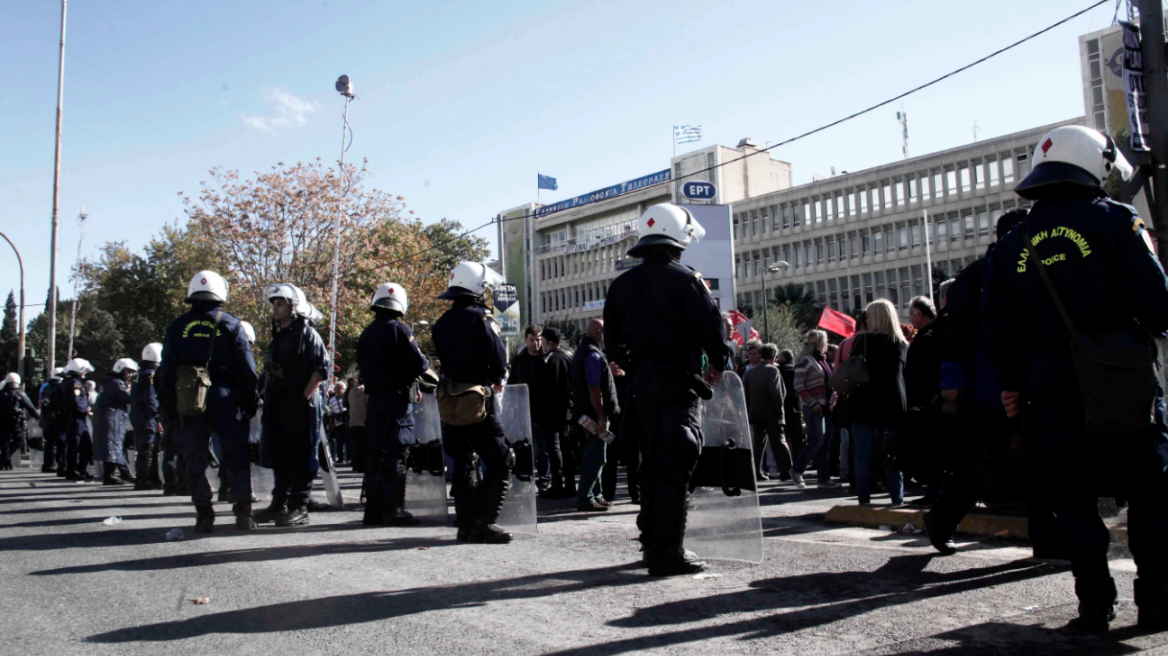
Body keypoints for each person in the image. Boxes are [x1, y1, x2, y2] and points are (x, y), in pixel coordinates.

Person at [981, 125, 1168, 632]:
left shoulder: (1012, 242)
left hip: (1048, 385)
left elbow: (995, 328)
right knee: (1149, 492)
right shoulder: (1116, 220)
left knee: (1072, 499)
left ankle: (1093, 606)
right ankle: (1156, 602)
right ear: (1093, 165)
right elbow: (1158, 302)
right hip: (1119, 379)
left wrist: (1011, 383)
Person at [604, 203, 731, 576]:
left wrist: (637, 366)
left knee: (651, 464)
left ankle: (651, 542)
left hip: (642, 387)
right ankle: (668, 551)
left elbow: (613, 344)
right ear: (680, 238)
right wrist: (718, 363)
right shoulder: (687, 279)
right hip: (678, 383)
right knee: (677, 461)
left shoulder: (621, 284)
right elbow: (713, 329)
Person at [925, 210, 1027, 555]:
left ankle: (1048, 533)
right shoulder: (978, 275)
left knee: (1030, 455)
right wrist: (953, 380)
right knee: (986, 458)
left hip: (1021, 380)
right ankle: (943, 518)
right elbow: (957, 333)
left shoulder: (1029, 268)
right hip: (990, 385)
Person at [158, 271, 259, 533]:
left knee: (194, 458)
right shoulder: (231, 324)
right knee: (236, 455)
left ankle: (204, 515)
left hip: (189, 397)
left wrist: (169, 407)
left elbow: (166, 371)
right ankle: (243, 513)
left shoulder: (177, 326)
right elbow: (247, 368)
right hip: (226, 396)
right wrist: (250, 400)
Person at [432, 262, 513, 544]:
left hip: (451, 401)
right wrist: (496, 377)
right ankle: (484, 522)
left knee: (462, 461)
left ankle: (465, 525)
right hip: (477, 399)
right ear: (478, 287)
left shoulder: (442, 322)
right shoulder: (481, 318)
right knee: (501, 458)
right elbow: (498, 358)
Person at [255, 283, 329, 528]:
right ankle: (279, 503)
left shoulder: (308, 334)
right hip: (279, 404)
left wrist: (303, 399)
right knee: (280, 454)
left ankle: (299, 505)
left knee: (301, 455)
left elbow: (320, 370)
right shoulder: (279, 336)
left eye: (280, 303)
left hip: (300, 405)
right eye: (274, 304)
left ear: (293, 306)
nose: (275, 308)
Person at [356, 282, 430, 527]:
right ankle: (393, 509)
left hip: (375, 400)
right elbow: (420, 364)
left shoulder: (366, 334)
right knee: (397, 453)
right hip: (397, 401)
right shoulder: (400, 329)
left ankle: (373, 509)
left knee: (375, 453)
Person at [849, 299, 908, 506]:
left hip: (863, 403)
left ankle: (863, 500)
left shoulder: (862, 341)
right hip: (892, 404)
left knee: (863, 456)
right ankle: (897, 500)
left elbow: (852, 368)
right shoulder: (901, 343)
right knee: (892, 455)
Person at [573, 318, 619, 511]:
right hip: (593, 414)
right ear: (597, 333)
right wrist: (600, 415)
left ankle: (596, 495)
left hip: (587, 412)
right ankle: (586, 497)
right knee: (596, 456)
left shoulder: (586, 351)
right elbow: (594, 388)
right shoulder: (592, 354)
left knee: (597, 455)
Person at [903, 295, 945, 506]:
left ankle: (936, 490)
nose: (910, 319)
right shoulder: (933, 333)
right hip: (930, 400)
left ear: (919, 314)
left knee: (934, 448)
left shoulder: (929, 336)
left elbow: (926, 371)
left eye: (911, 314)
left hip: (930, 402)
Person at [789, 330, 839, 489]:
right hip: (813, 407)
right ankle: (797, 469)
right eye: (825, 341)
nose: (827, 344)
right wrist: (812, 402)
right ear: (819, 343)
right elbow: (798, 385)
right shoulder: (805, 361)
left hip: (827, 407)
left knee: (825, 443)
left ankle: (823, 479)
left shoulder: (823, 361)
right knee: (816, 441)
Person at [535, 327, 574, 499]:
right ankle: (570, 484)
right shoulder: (569, 357)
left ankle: (557, 484)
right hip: (567, 411)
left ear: (547, 341)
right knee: (566, 447)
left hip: (548, 412)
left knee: (553, 448)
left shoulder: (543, 360)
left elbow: (536, 389)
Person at [743, 343, 789, 482]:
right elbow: (777, 393)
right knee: (779, 442)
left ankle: (756, 472)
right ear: (774, 355)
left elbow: (745, 394)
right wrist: (780, 413)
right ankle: (786, 471)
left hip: (755, 413)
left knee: (758, 444)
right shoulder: (772, 370)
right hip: (771, 413)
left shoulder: (749, 372)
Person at [509, 325, 547, 489]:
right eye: (532, 340)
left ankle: (544, 480)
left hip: (542, 410)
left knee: (542, 448)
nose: (535, 343)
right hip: (522, 410)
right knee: (524, 447)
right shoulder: (519, 360)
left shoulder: (546, 358)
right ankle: (524, 480)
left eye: (538, 340)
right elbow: (512, 383)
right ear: (526, 340)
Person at [832, 311, 867, 485]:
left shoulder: (844, 344)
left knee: (848, 441)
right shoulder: (874, 340)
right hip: (870, 399)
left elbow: (837, 375)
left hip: (848, 397)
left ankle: (849, 474)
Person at [93, 358, 138, 485]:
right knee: (113, 445)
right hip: (113, 418)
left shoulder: (109, 381)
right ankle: (112, 475)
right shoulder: (116, 383)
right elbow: (129, 398)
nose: (130, 375)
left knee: (114, 446)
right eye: (128, 372)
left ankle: (121, 473)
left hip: (112, 417)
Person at [131, 343, 164, 490]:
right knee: (147, 448)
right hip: (147, 416)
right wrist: (158, 418)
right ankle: (143, 480)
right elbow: (151, 399)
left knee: (149, 448)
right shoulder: (150, 374)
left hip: (139, 414)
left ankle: (152, 478)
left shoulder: (139, 373)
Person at [57, 358, 96, 481]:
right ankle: (72, 471)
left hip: (77, 419)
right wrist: (86, 410)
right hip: (76, 419)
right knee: (75, 446)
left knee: (86, 447)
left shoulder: (71, 382)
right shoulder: (75, 384)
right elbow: (76, 402)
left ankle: (79, 469)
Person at [0, 373, 39, 469]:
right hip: (15, 422)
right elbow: (30, 407)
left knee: (4, 442)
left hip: (2, 421)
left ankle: (5, 460)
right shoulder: (20, 393)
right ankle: (5, 460)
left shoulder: (1, 393)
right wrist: (38, 416)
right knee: (19, 440)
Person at [776, 349, 802, 479]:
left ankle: (786, 467)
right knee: (797, 438)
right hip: (796, 407)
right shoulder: (796, 369)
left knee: (783, 438)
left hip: (783, 407)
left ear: (784, 358)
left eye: (779, 357)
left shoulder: (778, 370)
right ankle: (798, 464)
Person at [38, 368, 65, 474]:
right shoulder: (61, 387)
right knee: (60, 442)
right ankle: (60, 465)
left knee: (49, 442)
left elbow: (42, 401)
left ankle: (48, 464)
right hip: (58, 417)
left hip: (47, 417)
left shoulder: (45, 387)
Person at [346, 377, 368, 473]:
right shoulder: (365, 391)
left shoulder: (351, 391)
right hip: (363, 420)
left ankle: (355, 465)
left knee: (355, 445)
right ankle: (362, 465)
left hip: (353, 421)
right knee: (364, 445)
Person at [326, 380, 348, 464]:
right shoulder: (332, 400)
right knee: (339, 441)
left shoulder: (347, 398)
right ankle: (340, 458)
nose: (339, 390)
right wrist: (332, 423)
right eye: (337, 388)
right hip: (338, 423)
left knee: (348, 441)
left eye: (341, 388)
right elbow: (330, 413)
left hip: (347, 422)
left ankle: (349, 458)